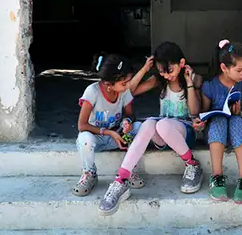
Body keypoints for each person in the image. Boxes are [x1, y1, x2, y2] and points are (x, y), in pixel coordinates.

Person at [98, 42, 205, 216]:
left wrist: (189, 82)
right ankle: (120, 181)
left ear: (182, 63)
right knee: (149, 124)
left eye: (169, 70)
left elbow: (194, 112)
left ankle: (193, 165)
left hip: (186, 132)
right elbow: (128, 92)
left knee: (161, 124)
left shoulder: (195, 79)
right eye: (161, 71)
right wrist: (145, 69)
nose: (166, 75)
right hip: (164, 134)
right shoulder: (159, 80)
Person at [72, 54, 143, 197]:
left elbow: (130, 115)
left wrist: (127, 123)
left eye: (128, 82)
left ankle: (128, 169)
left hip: (116, 137)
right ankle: (89, 173)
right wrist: (109, 132)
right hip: (96, 137)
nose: (128, 86)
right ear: (108, 84)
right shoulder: (93, 92)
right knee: (84, 139)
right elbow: (82, 125)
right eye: (124, 83)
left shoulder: (124, 92)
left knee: (139, 127)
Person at [201, 39, 242, 204]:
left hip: (238, 133)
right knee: (218, 120)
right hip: (215, 134)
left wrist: (239, 113)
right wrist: (202, 120)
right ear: (224, 68)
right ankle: (217, 177)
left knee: (237, 121)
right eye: (239, 70)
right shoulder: (210, 85)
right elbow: (205, 113)